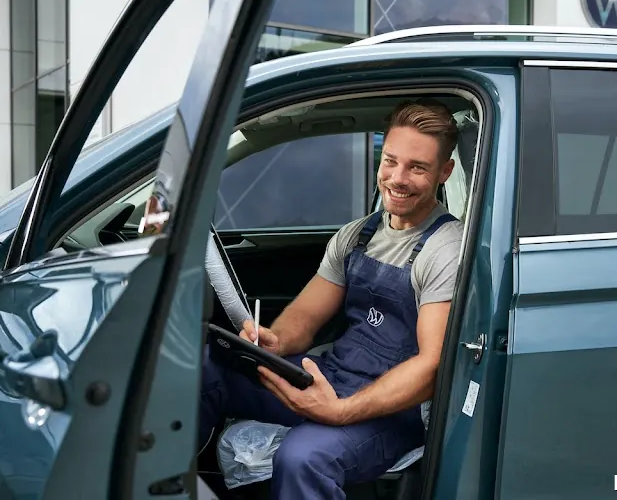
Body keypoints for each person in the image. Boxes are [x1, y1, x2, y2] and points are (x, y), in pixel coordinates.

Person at [198, 99, 464, 499]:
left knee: (302, 457)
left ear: (445, 172)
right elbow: (304, 316)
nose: (398, 177)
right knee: (208, 370)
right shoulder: (357, 235)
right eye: (390, 161)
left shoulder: (445, 249)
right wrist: (275, 342)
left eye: (418, 167)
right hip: (334, 375)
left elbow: (430, 368)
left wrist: (339, 411)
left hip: (394, 409)